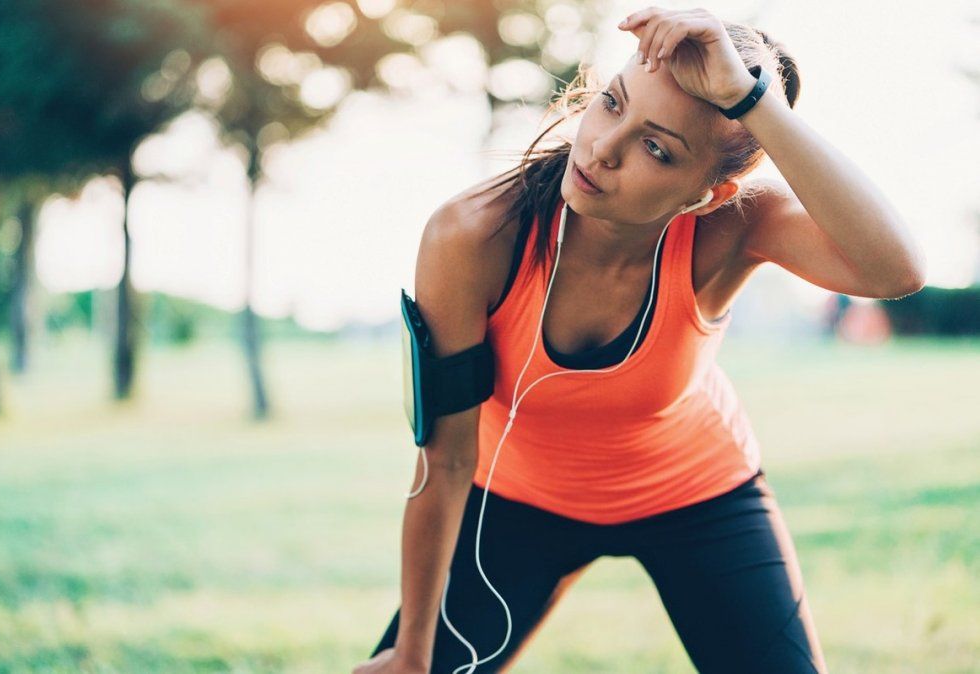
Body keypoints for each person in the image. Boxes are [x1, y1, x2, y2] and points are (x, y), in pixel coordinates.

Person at [353, 7, 926, 674]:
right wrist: (414, 654)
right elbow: (446, 458)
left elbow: (896, 271)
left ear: (710, 194)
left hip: (696, 495)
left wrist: (750, 101)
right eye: (610, 104)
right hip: (515, 501)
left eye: (657, 148)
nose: (600, 148)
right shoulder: (474, 235)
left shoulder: (734, 226)